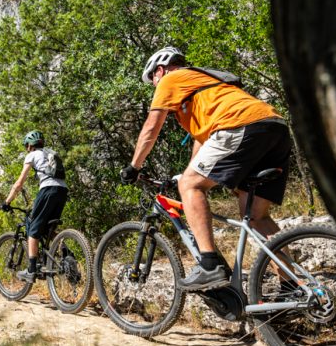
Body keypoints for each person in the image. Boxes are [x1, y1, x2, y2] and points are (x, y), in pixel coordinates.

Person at [121, 47, 291, 290]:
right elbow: (202, 140)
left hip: (241, 124)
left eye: (153, 81)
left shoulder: (171, 78)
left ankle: (210, 265)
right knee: (256, 216)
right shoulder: (204, 87)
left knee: (190, 185)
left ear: (159, 70)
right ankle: (292, 285)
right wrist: (188, 173)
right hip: (273, 127)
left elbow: (151, 126)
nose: (155, 87)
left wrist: (134, 166)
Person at [2, 130, 69, 283]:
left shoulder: (31, 155)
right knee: (48, 228)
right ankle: (67, 254)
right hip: (62, 191)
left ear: (30, 145)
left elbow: (19, 182)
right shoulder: (51, 152)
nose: (26, 149)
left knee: (33, 229)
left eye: (26, 146)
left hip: (47, 190)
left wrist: (7, 201)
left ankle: (32, 269)